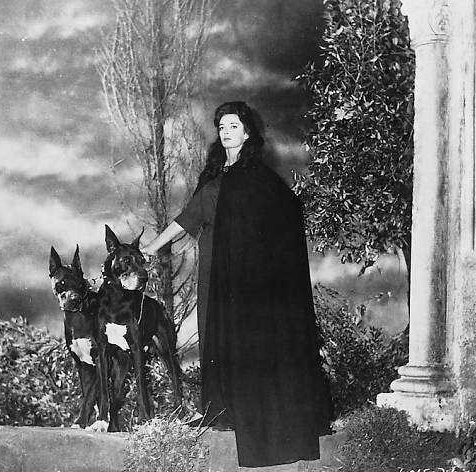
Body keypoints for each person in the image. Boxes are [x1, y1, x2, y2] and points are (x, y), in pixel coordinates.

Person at [141, 101, 333, 468]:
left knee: (246, 343)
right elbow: (189, 217)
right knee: (215, 337)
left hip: (247, 281)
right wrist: (152, 247)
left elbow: (288, 216)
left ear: (247, 133)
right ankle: (223, 412)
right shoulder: (216, 176)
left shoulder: (259, 179)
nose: (227, 132)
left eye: (234, 126)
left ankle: (254, 416)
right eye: (222, 126)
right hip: (215, 272)